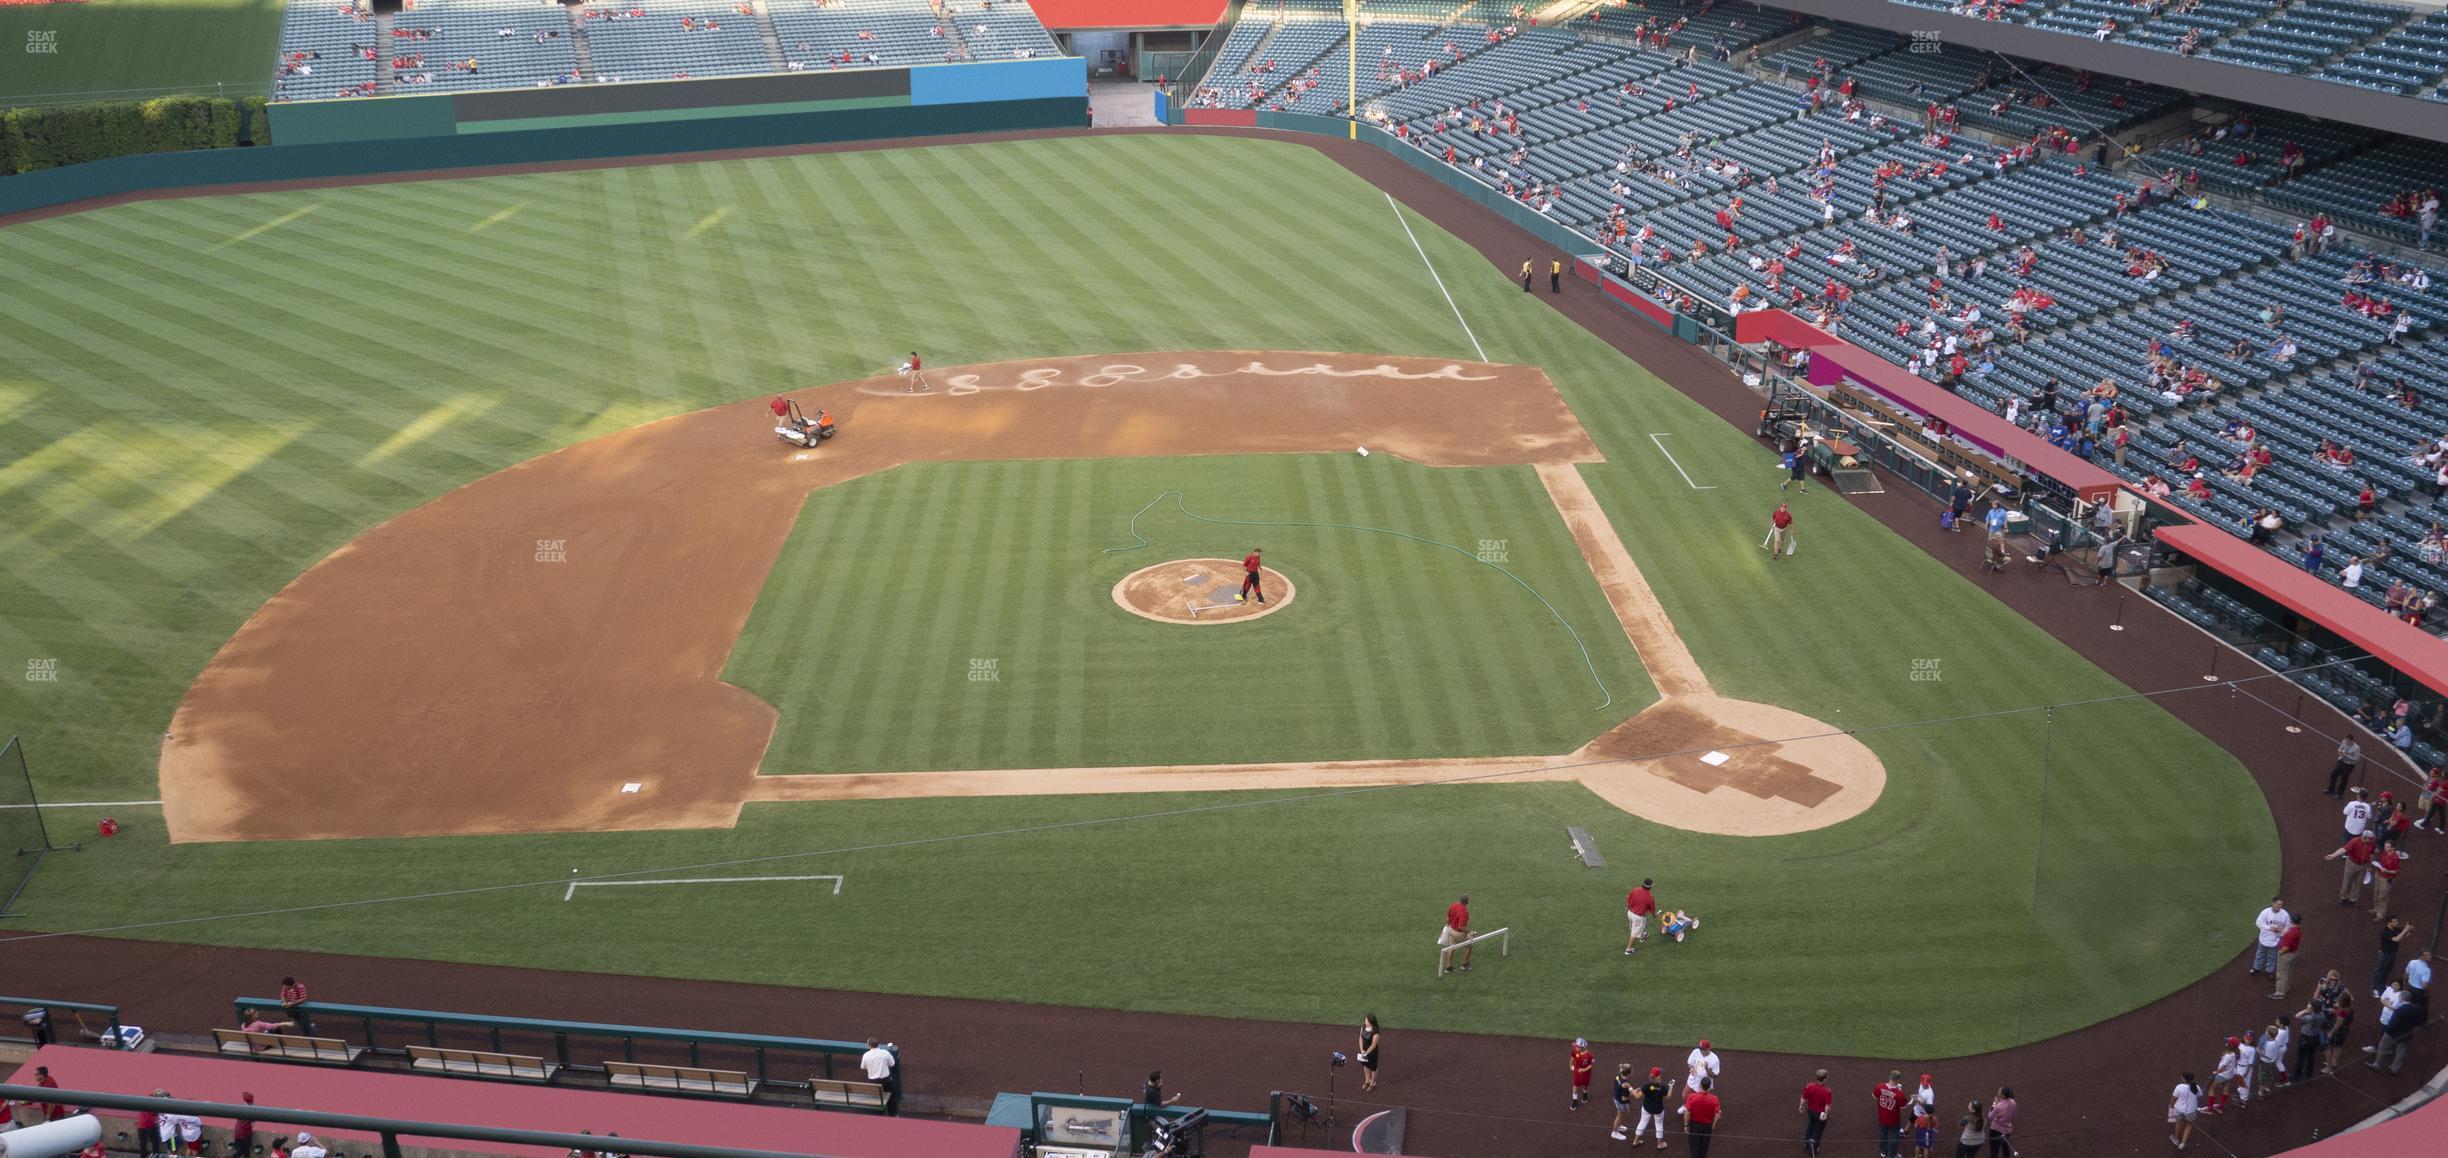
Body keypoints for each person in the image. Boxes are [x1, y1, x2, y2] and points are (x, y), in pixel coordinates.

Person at [1634, 1065, 1676, 1149]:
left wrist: (1634, 1090)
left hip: (1646, 1108)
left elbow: (1637, 1096)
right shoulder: (1663, 1087)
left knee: (1642, 1123)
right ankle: (1660, 1144)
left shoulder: (1646, 1085)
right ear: (1658, 1076)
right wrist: (1671, 1087)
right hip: (1658, 1109)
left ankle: (1635, 1141)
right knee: (1659, 1125)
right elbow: (1667, 1098)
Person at [1682, 1076, 1721, 1156]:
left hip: (1694, 1126)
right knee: (1704, 1148)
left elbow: (1687, 1113)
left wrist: (1686, 1125)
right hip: (1707, 1127)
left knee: (1694, 1148)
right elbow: (1718, 1114)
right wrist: (1713, 1124)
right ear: (1709, 1087)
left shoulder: (1691, 1097)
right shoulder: (1714, 1099)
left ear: (1700, 1085)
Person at [859, 1038, 899, 1115]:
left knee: (877, 1100)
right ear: (878, 1044)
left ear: (869, 1045)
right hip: (886, 1081)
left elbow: (862, 1067)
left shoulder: (866, 1055)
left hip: (873, 1083)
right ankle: (893, 1115)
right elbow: (892, 1064)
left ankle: (879, 1117)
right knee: (891, 1098)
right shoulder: (885, 1052)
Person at [2373, 917, 2410, 996]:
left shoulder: (2396, 929)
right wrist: (2405, 930)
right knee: (2379, 972)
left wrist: (2410, 929)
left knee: (2387, 971)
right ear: (2388, 922)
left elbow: (2406, 935)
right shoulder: (2384, 932)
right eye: (2394, 921)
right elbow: (2396, 939)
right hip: (2384, 954)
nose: (2397, 923)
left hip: (2392, 954)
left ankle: (2382, 985)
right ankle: (2374, 988)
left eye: (2397, 921)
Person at [2251, 899, 2289, 975]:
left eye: (2281, 905)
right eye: (2278, 904)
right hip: (2264, 938)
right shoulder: (2265, 912)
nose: (2280, 906)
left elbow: (2287, 927)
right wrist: (2270, 928)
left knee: (2272, 956)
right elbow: (2258, 923)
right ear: (2273, 903)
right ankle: (2256, 968)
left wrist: (2281, 931)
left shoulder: (2285, 914)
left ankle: (2270, 971)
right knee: (2260, 954)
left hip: (2276, 940)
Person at [1799, 1068, 1833, 1154]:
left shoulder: (1809, 1086)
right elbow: (1827, 1106)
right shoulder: (1827, 1091)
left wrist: (1801, 1106)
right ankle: (1813, 1149)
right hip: (1820, 1114)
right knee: (1818, 1131)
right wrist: (1826, 1114)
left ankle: (1806, 1144)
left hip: (1810, 1111)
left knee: (1810, 1125)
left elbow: (1803, 1097)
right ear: (1825, 1078)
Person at [1875, 1070, 1908, 1157]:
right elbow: (1904, 1106)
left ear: (1889, 1077)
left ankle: (1883, 1152)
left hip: (1882, 1117)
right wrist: (1898, 1090)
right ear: (1898, 1080)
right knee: (1894, 1138)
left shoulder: (1879, 1086)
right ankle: (1892, 1155)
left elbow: (1875, 1096)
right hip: (1894, 1120)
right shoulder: (1899, 1094)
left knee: (1883, 1136)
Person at [1440, 893, 1473, 974]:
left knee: (1451, 947)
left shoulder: (1454, 905)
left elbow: (1448, 917)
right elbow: (1461, 927)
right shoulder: (1464, 912)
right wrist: (1469, 932)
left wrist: (1448, 926)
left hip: (1450, 929)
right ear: (1467, 902)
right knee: (1469, 946)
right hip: (1458, 933)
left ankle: (1449, 968)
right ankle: (1464, 965)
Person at [2272, 918, 2303, 1000]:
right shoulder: (2297, 930)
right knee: (2287, 972)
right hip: (2292, 953)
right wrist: (2281, 931)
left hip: (2285, 955)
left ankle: (2280, 992)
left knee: (2281, 974)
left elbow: (2285, 948)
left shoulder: (2291, 933)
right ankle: (2285, 987)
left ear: (2291, 921)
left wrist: (2280, 953)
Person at [2168, 1073, 2201, 1150]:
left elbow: (2174, 1098)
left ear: (2184, 1079)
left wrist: (2171, 1105)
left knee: (2179, 1123)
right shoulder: (2197, 1087)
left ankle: (2176, 1139)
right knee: (2189, 1125)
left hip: (2179, 1109)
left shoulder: (2179, 1087)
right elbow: (2199, 1095)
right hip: (2191, 1111)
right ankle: (2183, 1144)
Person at [1626, 877, 1657, 954]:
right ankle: (1628, 950)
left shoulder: (1635, 889)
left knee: (1641, 924)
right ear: (1650, 887)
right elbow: (1652, 909)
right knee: (1634, 932)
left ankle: (1642, 935)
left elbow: (1628, 898)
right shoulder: (1650, 897)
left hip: (1630, 913)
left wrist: (1629, 906)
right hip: (1638, 917)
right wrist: (1654, 915)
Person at [1609, 1063, 1638, 1140]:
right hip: (1621, 1102)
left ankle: (1618, 1127)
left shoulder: (1618, 1075)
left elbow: (1621, 1069)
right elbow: (1624, 1099)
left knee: (1621, 1115)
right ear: (1629, 1073)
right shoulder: (1625, 1085)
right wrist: (1632, 1092)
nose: (1633, 1070)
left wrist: (1622, 1066)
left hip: (1616, 1097)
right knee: (1619, 1116)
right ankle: (1614, 1132)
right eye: (1632, 1070)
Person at [1984, 1087, 2016, 1157]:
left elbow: (1990, 1116)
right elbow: (2013, 1115)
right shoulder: (2013, 1102)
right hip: (2007, 1130)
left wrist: (1994, 1103)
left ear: (2003, 1095)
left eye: (1999, 1092)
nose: (1998, 1092)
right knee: (2005, 1149)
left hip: (1996, 1130)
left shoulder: (1999, 1106)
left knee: (1994, 1151)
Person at [1357, 1014, 1382, 1091]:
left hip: (1372, 1051)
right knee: (1365, 1065)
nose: (1365, 1021)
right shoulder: (1363, 1027)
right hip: (1364, 1049)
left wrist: (1366, 1053)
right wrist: (1361, 1050)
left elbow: (1374, 1045)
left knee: (1373, 1067)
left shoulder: (1376, 1031)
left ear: (1370, 1022)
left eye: (1366, 1020)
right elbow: (1360, 1038)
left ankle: (1372, 1083)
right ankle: (1367, 1080)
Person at [1569, 1036, 1594, 1107]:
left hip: (1586, 1073)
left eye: (1577, 1046)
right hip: (1577, 1073)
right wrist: (1570, 1065)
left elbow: (1590, 1065)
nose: (1575, 1047)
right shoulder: (1575, 1052)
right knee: (1575, 1086)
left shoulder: (1589, 1055)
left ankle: (1585, 1093)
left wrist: (1584, 1070)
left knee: (1586, 1085)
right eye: (1576, 1045)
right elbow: (1572, 1058)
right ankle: (1574, 1101)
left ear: (1582, 1047)